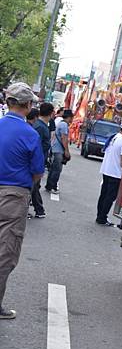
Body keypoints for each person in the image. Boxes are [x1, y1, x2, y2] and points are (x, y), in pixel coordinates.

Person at [0, 82, 45, 319]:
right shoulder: (30, 134)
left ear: (8, 103)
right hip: (13, 195)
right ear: (28, 106)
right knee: (5, 250)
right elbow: (38, 171)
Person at [95, 118, 122, 226]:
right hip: (115, 173)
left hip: (106, 170)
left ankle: (100, 216)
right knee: (110, 196)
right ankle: (102, 217)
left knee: (103, 194)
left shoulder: (114, 137)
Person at [30, 103, 53, 218]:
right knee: (33, 186)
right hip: (36, 162)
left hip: (39, 161)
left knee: (34, 187)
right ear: (51, 113)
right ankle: (38, 209)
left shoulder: (41, 125)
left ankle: (39, 209)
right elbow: (36, 146)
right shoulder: (40, 127)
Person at [45, 109, 73, 194]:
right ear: (69, 117)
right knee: (57, 169)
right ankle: (53, 186)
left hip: (55, 148)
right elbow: (64, 139)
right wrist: (67, 151)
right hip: (58, 149)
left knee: (53, 168)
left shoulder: (61, 123)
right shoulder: (64, 125)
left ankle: (49, 185)